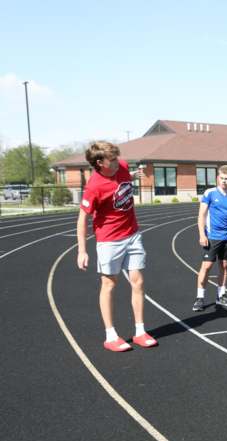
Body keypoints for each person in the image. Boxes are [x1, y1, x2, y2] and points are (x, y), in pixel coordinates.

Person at [76, 141, 157, 352]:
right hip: (109, 240)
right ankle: (110, 335)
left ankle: (140, 331)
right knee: (109, 285)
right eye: (111, 160)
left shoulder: (120, 166)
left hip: (133, 234)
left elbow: (123, 180)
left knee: (138, 282)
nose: (117, 163)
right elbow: (82, 218)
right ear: (100, 162)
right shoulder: (94, 186)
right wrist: (82, 250)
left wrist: (132, 175)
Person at [192, 165, 227, 312]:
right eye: (222, 178)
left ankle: (221, 296)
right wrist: (202, 234)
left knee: (224, 266)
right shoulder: (210, 193)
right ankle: (200, 298)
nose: (224, 181)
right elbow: (201, 215)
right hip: (212, 237)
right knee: (206, 267)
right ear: (218, 178)